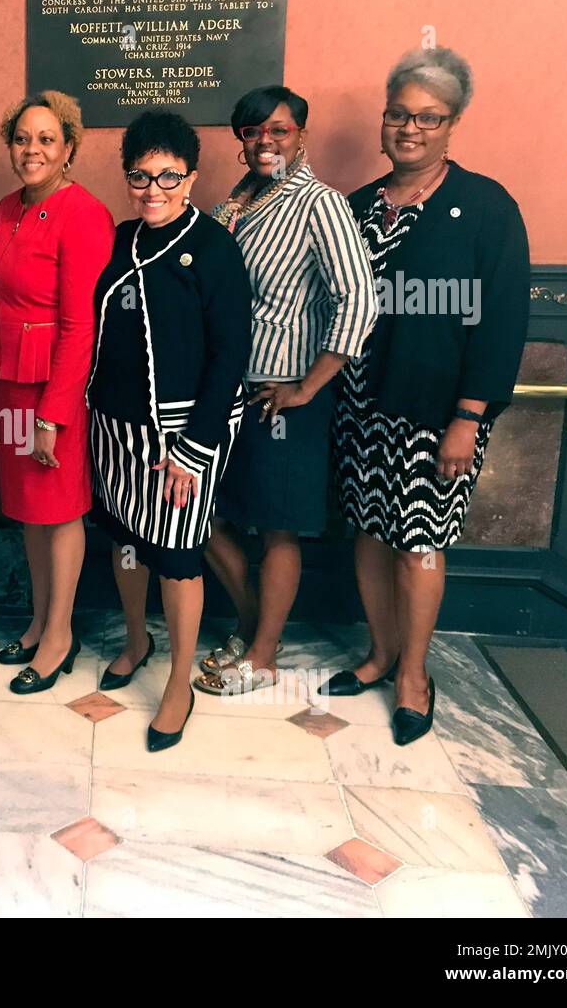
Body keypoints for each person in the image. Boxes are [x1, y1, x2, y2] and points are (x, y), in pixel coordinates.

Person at [324, 48, 530, 746]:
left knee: (419, 543)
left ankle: (414, 674)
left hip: (437, 416)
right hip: (360, 406)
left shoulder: (486, 208)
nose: (409, 127)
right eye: (398, 114)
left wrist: (469, 417)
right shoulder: (357, 207)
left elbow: (502, 322)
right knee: (371, 532)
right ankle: (379, 653)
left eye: (427, 117)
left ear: (452, 123)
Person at [196, 86, 376, 695]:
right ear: (241, 140)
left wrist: (307, 385)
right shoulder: (239, 200)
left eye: (278, 130)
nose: (265, 140)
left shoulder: (318, 203)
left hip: (282, 395)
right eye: (253, 131)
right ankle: (253, 629)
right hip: (225, 388)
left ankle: (265, 655)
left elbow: (359, 298)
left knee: (277, 527)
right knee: (202, 510)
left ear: (301, 135)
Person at [87, 111, 252, 750]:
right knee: (126, 537)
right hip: (115, 427)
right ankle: (136, 639)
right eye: (140, 175)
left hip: (184, 436)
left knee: (178, 556)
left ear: (190, 176)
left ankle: (179, 682)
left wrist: (193, 447)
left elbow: (229, 356)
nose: (153, 188)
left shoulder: (213, 247)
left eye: (168, 176)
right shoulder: (120, 238)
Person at [0, 90, 114, 694]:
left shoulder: (82, 212)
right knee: (31, 512)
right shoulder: (8, 207)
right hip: (9, 380)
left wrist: (54, 414)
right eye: (22, 138)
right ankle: (39, 621)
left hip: (52, 389)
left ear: (68, 149)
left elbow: (80, 324)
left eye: (46, 139)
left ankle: (61, 635)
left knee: (60, 512)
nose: (32, 149)